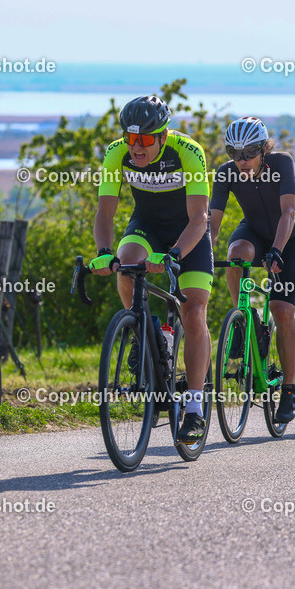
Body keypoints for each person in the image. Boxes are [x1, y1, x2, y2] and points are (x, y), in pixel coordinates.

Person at [92, 95, 213, 443]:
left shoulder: (187, 151)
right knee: (125, 260)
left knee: (193, 313)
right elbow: (105, 213)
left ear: (163, 135)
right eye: (131, 139)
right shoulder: (116, 153)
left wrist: (173, 254)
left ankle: (193, 409)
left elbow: (199, 218)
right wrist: (102, 252)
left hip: (188, 233)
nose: (136, 148)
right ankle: (143, 327)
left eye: (145, 140)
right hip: (146, 225)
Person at [209, 116, 295, 423]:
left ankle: (288, 390)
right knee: (236, 252)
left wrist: (277, 249)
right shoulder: (226, 173)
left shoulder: (282, 163)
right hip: (253, 231)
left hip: (288, 240)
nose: (241, 160)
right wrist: (203, 251)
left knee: (282, 310)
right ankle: (246, 321)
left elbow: (289, 212)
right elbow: (212, 221)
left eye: (248, 152)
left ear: (264, 149)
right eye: (233, 153)